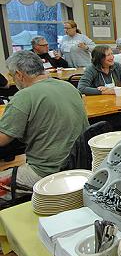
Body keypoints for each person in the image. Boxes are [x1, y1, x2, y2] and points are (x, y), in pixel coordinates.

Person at [0, 51, 88, 193]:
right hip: (78, 166)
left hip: (47, 173)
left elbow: (2, 139)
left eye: (11, 75)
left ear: (19, 74)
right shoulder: (68, 87)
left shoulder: (24, 96)